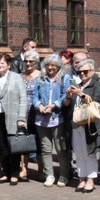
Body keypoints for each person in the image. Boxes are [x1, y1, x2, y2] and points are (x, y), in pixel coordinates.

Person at [63, 58, 100, 193]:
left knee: (90, 153)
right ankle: (81, 178)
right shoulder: (78, 85)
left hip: (90, 124)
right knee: (79, 153)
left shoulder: (97, 86)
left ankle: (91, 180)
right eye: (79, 72)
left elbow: (97, 101)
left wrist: (81, 94)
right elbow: (66, 105)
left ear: (92, 71)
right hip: (76, 124)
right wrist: (69, 96)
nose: (82, 74)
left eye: (85, 71)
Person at [0, 53, 27, 185]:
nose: (0, 65)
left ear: (8, 65)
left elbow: (23, 98)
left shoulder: (16, 78)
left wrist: (21, 117)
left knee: (12, 145)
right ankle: (6, 172)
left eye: (2, 63)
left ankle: (14, 173)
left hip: (13, 116)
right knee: (1, 146)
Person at [32, 54, 72, 187]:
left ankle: (64, 175)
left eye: (53, 65)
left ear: (58, 66)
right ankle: (49, 174)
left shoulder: (65, 78)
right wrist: (40, 106)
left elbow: (65, 95)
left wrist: (54, 105)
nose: (50, 67)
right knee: (46, 149)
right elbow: (34, 96)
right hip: (41, 119)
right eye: (48, 64)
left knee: (61, 149)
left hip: (57, 118)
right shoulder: (40, 79)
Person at [20, 50, 42, 180]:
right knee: (24, 142)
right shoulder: (19, 76)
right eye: (26, 61)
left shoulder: (41, 76)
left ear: (36, 62)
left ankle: (41, 170)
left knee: (38, 143)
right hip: (23, 114)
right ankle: (24, 169)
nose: (28, 63)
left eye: (31, 61)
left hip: (37, 114)